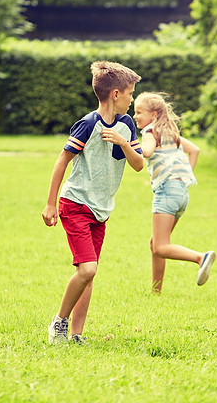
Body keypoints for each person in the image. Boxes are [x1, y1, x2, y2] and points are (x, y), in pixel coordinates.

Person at [42, 61, 145, 345]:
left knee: (87, 274)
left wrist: (123, 143)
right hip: (75, 203)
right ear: (115, 94)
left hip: (101, 210)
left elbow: (138, 165)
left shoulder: (126, 124)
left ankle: (76, 335)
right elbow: (62, 161)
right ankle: (58, 323)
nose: (132, 99)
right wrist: (50, 204)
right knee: (88, 269)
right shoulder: (88, 124)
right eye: (130, 93)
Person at [132, 92, 214, 293]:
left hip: (166, 193)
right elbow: (194, 150)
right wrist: (183, 179)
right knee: (156, 243)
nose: (135, 116)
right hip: (180, 194)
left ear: (152, 114)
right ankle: (156, 291)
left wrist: (130, 145)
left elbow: (148, 152)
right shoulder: (170, 132)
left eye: (138, 112)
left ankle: (200, 257)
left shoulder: (151, 132)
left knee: (160, 247)